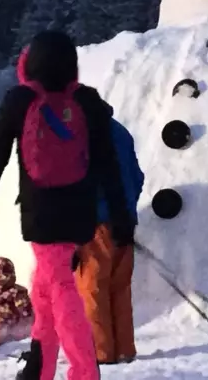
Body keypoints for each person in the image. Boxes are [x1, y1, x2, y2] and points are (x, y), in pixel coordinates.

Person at [0, 30, 133, 380]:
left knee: (60, 289)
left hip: (40, 211)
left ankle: (84, 371)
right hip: (79, 212)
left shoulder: (21, 99)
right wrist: (121, 215)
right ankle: (40, 368)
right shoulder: (87, 101)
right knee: (44, 287)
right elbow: (108, 162)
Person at [74, 115, 144, 364]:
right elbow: (137, 177)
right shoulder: (121, 132)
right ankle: (125, 350)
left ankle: (100, 352)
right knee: (120, 287)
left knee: (93, 287)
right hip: (125, 222)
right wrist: (127, 210)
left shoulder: (82, 136)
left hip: (96, 223)